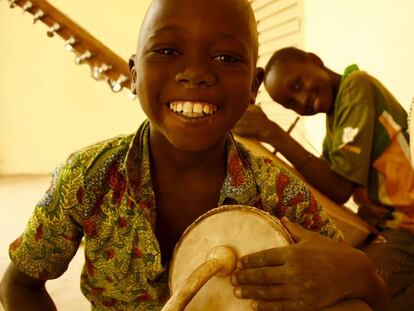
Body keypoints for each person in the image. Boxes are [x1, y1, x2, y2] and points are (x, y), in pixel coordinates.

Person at [0, 2, 388, 311]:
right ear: (134, 74)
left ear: (254, 87)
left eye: (225, 58)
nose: (195, 73)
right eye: (168, 50)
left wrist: (362, 273)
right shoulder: (87, 177)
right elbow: (19, 286)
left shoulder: (281, 194)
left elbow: (366, 297)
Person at [233, 46, 413, 311]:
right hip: (378, 224)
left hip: (405, 223)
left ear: (314, 61)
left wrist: (272, 133)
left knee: (349, 292)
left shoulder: (357, 85)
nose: (302, 99)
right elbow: (327, 185)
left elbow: (339, 188)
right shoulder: (334, 126)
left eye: (298, 84)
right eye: (291, 104)